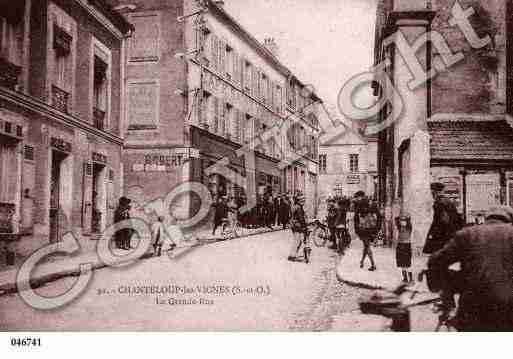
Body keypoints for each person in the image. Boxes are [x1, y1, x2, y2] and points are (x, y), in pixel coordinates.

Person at [427, 206, 513, 331]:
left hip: (472, 308)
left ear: (486, 218)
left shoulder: (467, 234)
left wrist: (450, 288)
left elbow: (435, 261)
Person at [423, 182, 463, 254]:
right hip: (450, 229)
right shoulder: (447, 200)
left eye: (432, 192)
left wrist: (434, 231)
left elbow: (441, 219)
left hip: (443, 230)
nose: (432, 194)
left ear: (436, 192)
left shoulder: (439, 202)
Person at [354, 193, 378, 271]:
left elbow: (356, 218)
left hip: (364, 229)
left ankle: (373, 264)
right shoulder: (371, 203)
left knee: (367, 246)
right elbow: (378, 216)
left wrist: (357, 229)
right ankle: (362, 261)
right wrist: (377, 228)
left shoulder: (360, 204)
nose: (357, 199)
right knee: (366, 246)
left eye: (357, 197)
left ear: (360, 197)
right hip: (371, 228)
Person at [288, 192, 309, 261]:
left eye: (304, 201)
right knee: (297, 241)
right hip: (297, 226)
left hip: (294, 225)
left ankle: (293, 254)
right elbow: (301, 218)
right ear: (299, 201)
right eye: (302, 201)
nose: (303, 202)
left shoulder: (295, 206)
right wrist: (305, 226)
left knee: (298, 241)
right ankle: (292, 255)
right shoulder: (299, 208)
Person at [395, 211, 413, 283]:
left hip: (405, 245)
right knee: (402, 263)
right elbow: (396, 219)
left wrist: (403, 216)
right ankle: (405, 278)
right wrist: (401, 216)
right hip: (402, 244)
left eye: (404, 220)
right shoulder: (401, 227)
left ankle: (410, 279)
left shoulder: (409, 227)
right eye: (402, 220)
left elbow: (397, 220)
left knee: (407, 263)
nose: (402, 222)